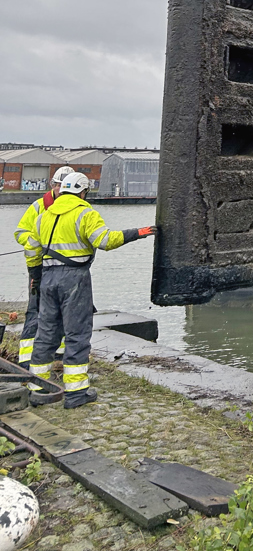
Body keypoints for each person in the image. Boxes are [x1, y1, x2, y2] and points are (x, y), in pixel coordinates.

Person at [25, 171, 156, 409]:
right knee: (77, 334)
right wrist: (137, 233)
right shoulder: (85, 213)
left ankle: (37, 390)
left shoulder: (43, 216)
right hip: (74, 279)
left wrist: (35, 277)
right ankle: (76, 394)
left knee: (46, 333)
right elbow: (105, 241)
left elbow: (31, 250)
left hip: (47, 278)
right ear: (83, 192)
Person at [14, 165, 74, 369]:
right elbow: (20, 233)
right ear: (53, 185)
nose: (61, 190)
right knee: (35, 311)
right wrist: (38, 242)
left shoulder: (78, 208)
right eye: (59, 186)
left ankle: (58, 356)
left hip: (65, 269)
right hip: (41, 267)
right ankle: (26, 359)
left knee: (64, 312)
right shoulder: (39, 207)